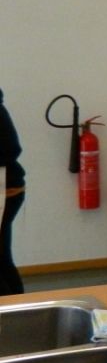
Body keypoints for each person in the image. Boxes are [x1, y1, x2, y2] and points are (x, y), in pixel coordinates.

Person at [1, 88, 26, 296]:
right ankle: (18, 308)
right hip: (9, 187)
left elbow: (9, 150)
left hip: (5, 188)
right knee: (2, 258)